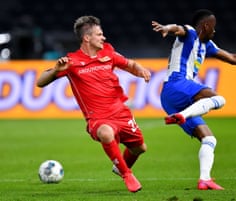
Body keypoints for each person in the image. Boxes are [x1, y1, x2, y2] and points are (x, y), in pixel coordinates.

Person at [152, 9, 236, 190]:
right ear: (206, 26)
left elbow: (232, 58)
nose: (215, 31)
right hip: (177, 84)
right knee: (219, 99)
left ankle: (205, 179)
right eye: (213, 27)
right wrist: (166, 28)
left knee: (209, 139)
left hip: (172, 99)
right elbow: (178, 28)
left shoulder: (207, 45)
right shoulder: (190, 33)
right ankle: (182, 115)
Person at [37, 15, 151, 193]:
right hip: (98, 118)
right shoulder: (71, 62)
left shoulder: (108, 52)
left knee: (140, 148)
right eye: (99, 34)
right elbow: (40, 82)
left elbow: (129, 64)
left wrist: (140, 70)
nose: (103, 37)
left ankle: (119, 165)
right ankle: (127, 174)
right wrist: (55, 71)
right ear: (87, 38)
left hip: (121, 112)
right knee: (106, 133)